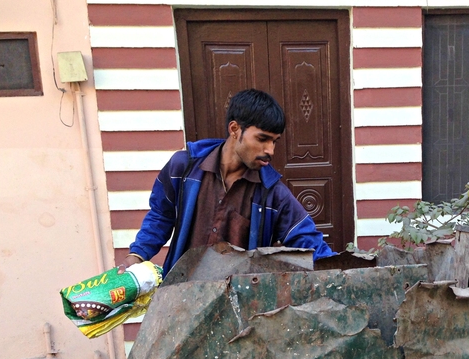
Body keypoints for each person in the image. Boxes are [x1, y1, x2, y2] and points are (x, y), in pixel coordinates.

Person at [119, 89, 334, 276]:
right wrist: (138, 254)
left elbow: (309, 243)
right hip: (180, 298)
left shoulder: (273, 194)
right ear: (234, 130)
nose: (270, 150)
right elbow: (161, 215)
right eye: (262, 139)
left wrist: (345, 269)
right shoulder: (182, 169)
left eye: (274, 141)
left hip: (239, 311)